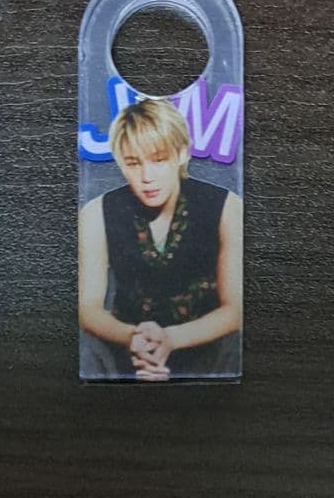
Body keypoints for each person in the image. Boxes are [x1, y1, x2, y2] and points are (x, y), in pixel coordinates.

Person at [78, 98, 242, 381]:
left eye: (159, 159)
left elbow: (236, 310)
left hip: (210, 351)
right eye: (133, 163)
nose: (147, 177)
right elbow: (88, 308)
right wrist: (132, 338)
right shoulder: (95, 213)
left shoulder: (228, 207)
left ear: (181, 153)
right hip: (126, 351)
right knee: (88, 350)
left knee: (235, 347)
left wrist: (171, 339)